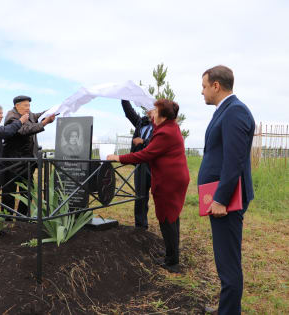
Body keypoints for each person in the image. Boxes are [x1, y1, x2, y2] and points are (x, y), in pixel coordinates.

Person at [107, 99, 189, 273]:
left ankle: (172, 261)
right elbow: (155, 123)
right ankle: (170, 252)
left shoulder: (165, 133)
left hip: (169, 181)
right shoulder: (168, 126)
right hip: (173, 178)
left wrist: (118, 158)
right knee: (171, 217)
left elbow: (145, 154)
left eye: (156, 111)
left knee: (167, 219)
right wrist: (153, 114)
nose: (152, 113)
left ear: (163, 115)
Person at [198, 65, 255, 315]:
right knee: (224, 260)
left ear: (216, 86)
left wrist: (220, 198)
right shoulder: (225, 111)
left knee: (228, 263)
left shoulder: (235, 112)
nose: (202, 92)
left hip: (227, 202)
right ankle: (227, 306)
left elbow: (235, 161)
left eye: (204, 86)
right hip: (220, 200)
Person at [2, 95, 55, 216]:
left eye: (29, 105)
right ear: (17, 106)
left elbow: (39, 115)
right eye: (25, 105)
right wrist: (44, 123)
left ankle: (23, 218)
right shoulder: (12, 117)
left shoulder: (29, 114)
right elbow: (25, 130)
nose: (28, 108)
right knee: (9, 193)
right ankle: (6, 218)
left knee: (27, 192)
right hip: (12, 163)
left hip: (27, 162)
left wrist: (54, 110)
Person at [121, 100, 154, 230]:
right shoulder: (141, 122)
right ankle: (140, 226)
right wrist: (124, 97)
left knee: (160, 196)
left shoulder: (161, 126)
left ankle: (165, 225)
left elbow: (160, 141)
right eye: (148, 109)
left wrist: (143, 141)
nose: (149, 112)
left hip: (155, 165)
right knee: (140, 196)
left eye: (152, 109)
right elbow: (129, 113)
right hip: (141, 164)